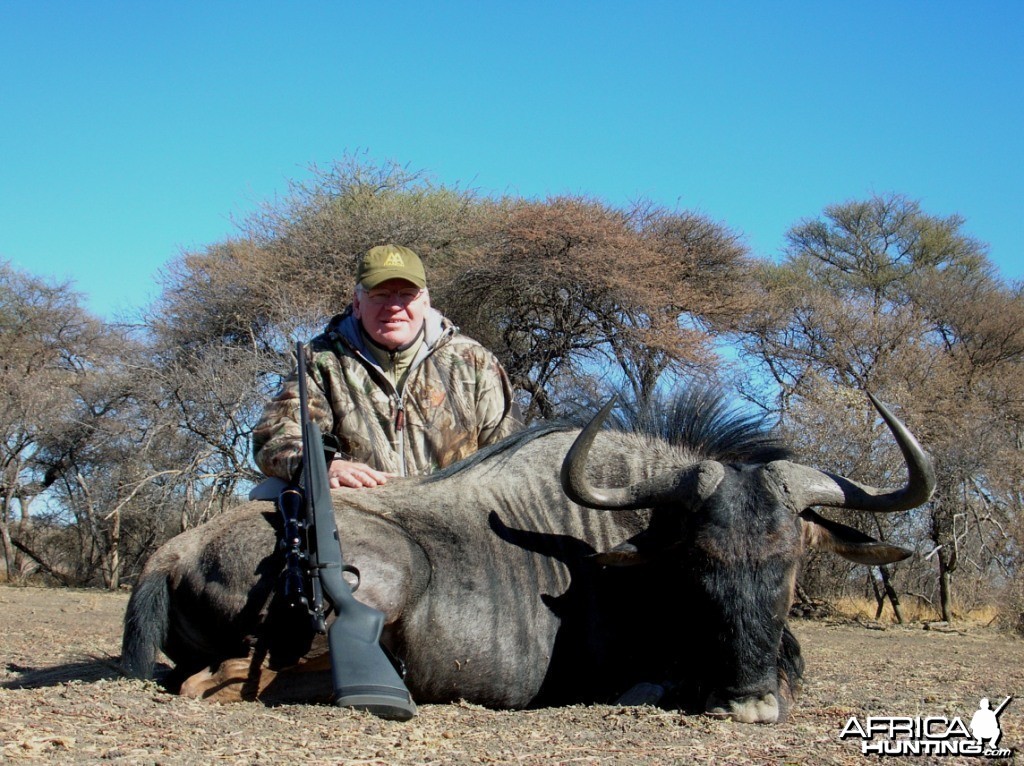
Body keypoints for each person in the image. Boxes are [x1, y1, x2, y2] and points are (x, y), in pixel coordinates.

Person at [253, 244, 519, 488]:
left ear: (425, 302)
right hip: (363, 522)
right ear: (357, 304)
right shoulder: (322, 360)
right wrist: (324, 467)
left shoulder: (474, 362)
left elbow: (511, 455)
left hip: (454, 520)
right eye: (380, 295)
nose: (394, 307)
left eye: (406, 295)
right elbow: (275, 437)